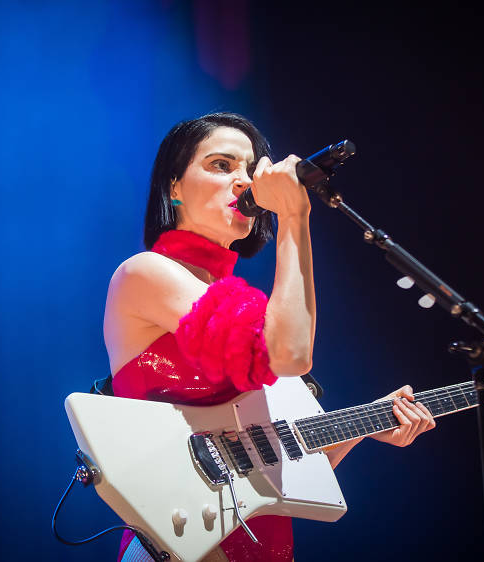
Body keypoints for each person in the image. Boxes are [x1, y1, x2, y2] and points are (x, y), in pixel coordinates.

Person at [103, 112, 436, 562]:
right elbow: (290, 354)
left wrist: (368, 423)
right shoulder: (146, 272)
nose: (243, 181)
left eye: (250, 168)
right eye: (221, 165)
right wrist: (294, 217)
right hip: (177, 550)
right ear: (174, 187)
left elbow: (274, 469)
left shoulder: (246, 305)